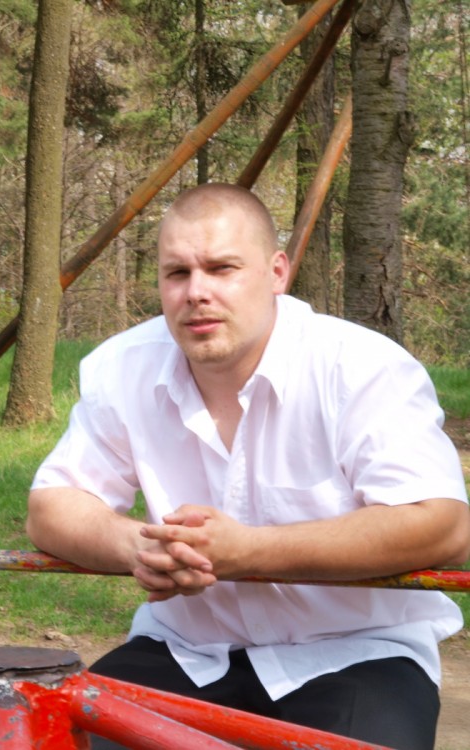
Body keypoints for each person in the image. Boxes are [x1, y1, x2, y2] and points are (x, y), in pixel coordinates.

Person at [26, 183, 470, 749]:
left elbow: (442, 525)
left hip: (358, 653)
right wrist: (137, 545)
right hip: (186, 652)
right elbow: (52, 506)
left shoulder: (361, 368)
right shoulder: (121, 368)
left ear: (277, 272)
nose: (197, 292)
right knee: (42, 739)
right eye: (177, 273)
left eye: (222, 268)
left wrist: (249, 551)